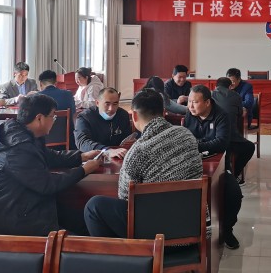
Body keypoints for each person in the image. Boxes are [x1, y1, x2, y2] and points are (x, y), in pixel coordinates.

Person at [84, 89, 203, 238]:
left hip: (158, 236)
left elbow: (125, 199)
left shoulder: (137, 152)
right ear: (164, 112)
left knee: (94, 206)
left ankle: (121, 252)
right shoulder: (187, 135)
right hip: (192, 227)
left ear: (134, 115)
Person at [0, 94, 102, 236]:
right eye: (53, 116)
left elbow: (48, 156)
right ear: (39, 118)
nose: (54, 120)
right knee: (83, 241)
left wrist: (81, 156)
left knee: (86, 221)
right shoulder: (17, 149)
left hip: (28, 204)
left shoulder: (22, 134)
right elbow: (47, 184)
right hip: (17, 222)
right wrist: (84, 170)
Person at [184, 84, 242, 250]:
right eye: (189, 101)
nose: (190, 106)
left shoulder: (221, 116)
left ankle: (227, 230)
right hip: (193, 164)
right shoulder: (190, 114)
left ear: (207, 102)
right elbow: (185, 138)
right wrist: (203, 145)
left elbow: (221, 143)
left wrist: (196, 144)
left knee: (234, 194)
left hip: (219, 164)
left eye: (195, 102)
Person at [212, 77, 255, 182]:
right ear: (230, 86)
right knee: (249, 147)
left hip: (212, 138)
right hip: (231, 139)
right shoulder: (236, 96)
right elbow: (240, 114)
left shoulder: (210, 95)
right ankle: (234, 175)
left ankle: (227, 173)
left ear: (216, 86)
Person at [74, 87, 131, 159]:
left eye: (115, 104)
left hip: (118, 156)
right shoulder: (85, 117)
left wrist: (129, 142)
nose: (111, 109)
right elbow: (82, 142)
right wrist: (106, 151)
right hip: (93, 158)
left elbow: (126, 138)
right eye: (107, 104)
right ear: (97, 103)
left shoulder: (123, 115)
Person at [38, 69, 77, 148]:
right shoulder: (68, 94)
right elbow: (73, 114)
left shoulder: (36, 97)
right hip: (67, 142)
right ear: (56, 83)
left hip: (43, 143)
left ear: (40, 84)